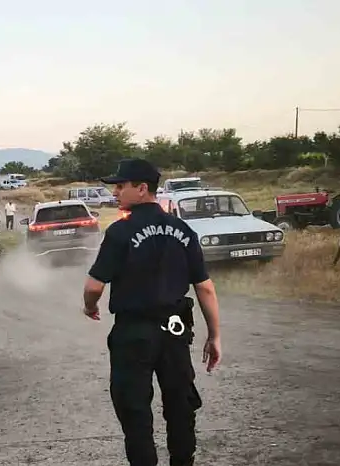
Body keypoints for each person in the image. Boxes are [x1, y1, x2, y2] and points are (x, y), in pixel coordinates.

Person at [81, 158, 221, 466]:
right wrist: (214, 335)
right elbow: (205, 288)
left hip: (133, 333)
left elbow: (94, 286)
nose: (115, 192)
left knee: (134, 409)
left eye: (121, 186)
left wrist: (90, 307)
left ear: (142, 188)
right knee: (180, 405)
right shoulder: (183, 229)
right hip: (175, 330)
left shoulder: (120, 231)